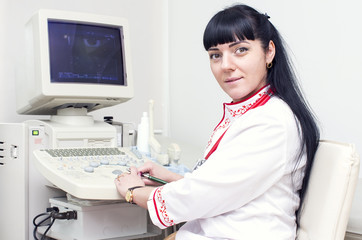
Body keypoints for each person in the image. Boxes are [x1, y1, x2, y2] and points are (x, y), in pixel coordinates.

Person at [115, 4, 320, 240]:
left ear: (269, 52)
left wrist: (133, 192)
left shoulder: (272, 122)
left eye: (240, 50)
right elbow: (224, 185)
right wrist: (169, 176)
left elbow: (204, 195)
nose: (226, 65)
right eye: (215, 55)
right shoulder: (253, 111)